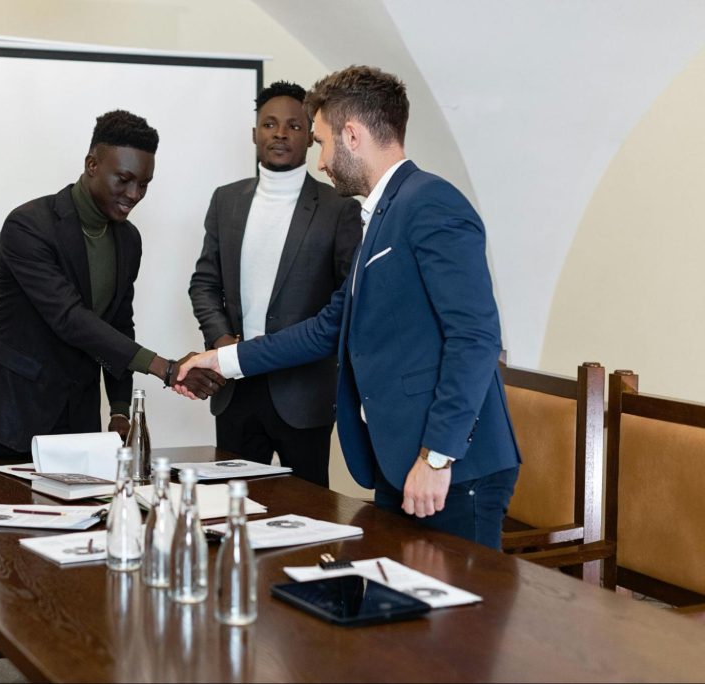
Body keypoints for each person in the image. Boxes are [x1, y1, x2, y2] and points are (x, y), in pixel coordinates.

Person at [178, 66, 521, 550]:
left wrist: (438, 456)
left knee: (457, 623)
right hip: (399, 459)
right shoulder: (380, 214)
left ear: (353, 135)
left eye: (320, 142)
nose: (320, 162)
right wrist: (222, 361)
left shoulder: (432, 204)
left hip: (451, 469)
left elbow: (476, 338)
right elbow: (326, 328)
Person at [0, 109, 223, 682]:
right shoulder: (27, 224)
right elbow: (69, 319)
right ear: (91, 164)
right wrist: (165, 367)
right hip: (5, 412)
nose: (134, 193)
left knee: (70, 558)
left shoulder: (129, 240)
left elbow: (114, 324)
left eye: (144, 184)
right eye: (123, 179)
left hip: (75, 421)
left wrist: (120, 410)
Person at [188, 80, 360, 487]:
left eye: (294, 126)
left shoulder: (338, 208)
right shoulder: (226, 201)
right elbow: (204, 283)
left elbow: (348, 299)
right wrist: (220, 339)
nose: (280, 133)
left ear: (311, 138)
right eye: (269, 124)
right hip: (235, 390)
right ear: (254, 133)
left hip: (304, 394)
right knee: (229, 509)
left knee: (308, 511)